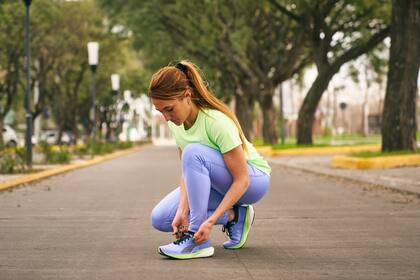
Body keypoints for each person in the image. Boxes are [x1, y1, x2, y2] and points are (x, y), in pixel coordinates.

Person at [149, 60, 271, 260]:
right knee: (162, 218)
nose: (166, 117)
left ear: (187, 95)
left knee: (193, 152)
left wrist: (210, 220)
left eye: (169, 109)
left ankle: (198, 242)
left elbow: (242, 179)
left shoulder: (216, 122)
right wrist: (182, 209)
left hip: (253, 180)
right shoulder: (175, 124)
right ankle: (236, 217)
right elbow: (188, 172)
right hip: (219, 183)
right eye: (160, 111)